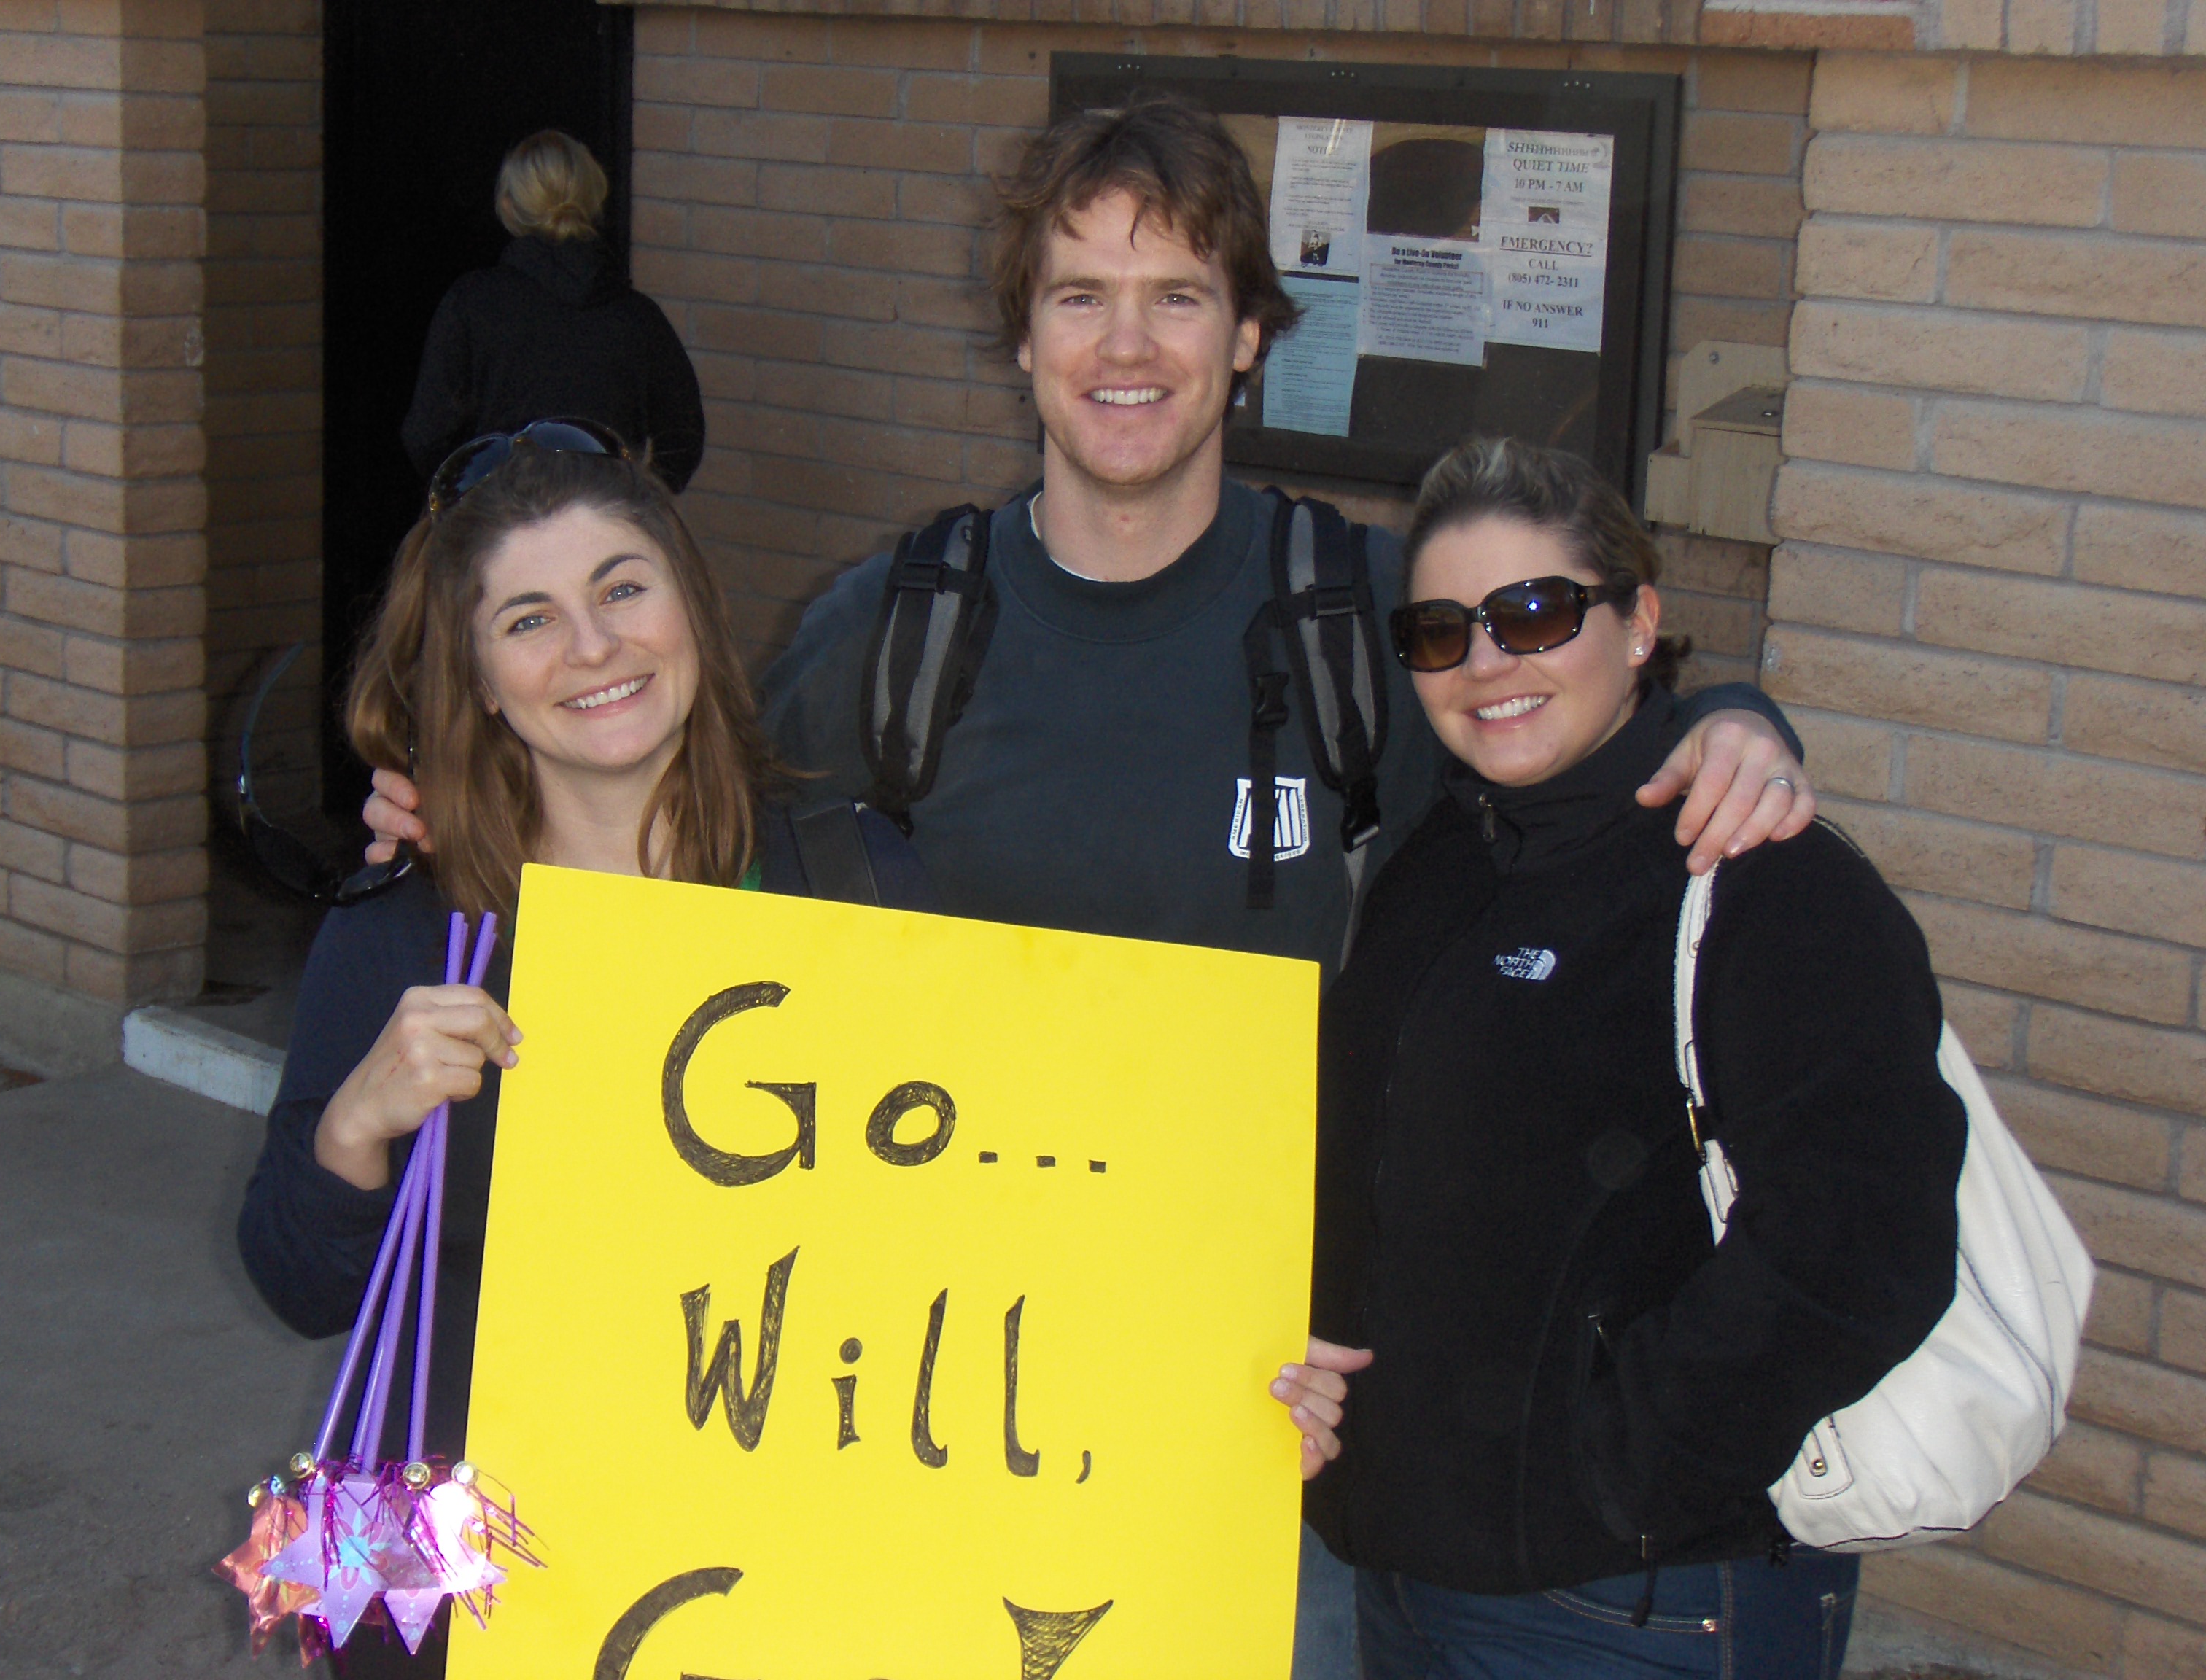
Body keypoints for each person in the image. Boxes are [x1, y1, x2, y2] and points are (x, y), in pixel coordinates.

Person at [360, 97, 1819, 1679]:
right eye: (1079, 294)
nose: (1127, 345)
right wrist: (457, 798)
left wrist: (1735, 726)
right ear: (1022, 338)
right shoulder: (892, 630)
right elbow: (668, 821)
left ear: (1246, 336)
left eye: (1176, 293)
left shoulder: (1353, 618)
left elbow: (1578, 738)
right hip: (917, 1403)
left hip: (1253, 1417)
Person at [238, 425, 928, 1672]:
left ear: (691, 610)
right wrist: (357, 1124)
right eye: (529, 619)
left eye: (621, 588)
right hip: (475, 1557)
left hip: (776, 1530)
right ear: (481, 683)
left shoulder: (854, 882)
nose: (594, 646)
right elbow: (301, 1286)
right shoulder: (409, 929)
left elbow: (985, 1233)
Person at [1289, 438, 1965, 1678]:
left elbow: (1863, 1243)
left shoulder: (1758, 880)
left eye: (1534, 613)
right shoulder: (1434, 861)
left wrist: (1617, 1464)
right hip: (1400, 1569)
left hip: (1636, 1595)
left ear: (1639, 621)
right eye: (1441, 631)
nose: (1487, 662)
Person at [400, 131, 707, 494]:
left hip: (503, 514)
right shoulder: (638, 318)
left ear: (508, 206)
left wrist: (473, 494)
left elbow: (427, 435)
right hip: (600, 512)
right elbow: (683, 437)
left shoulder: (471, 304)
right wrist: (634, 500)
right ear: (594, 198)